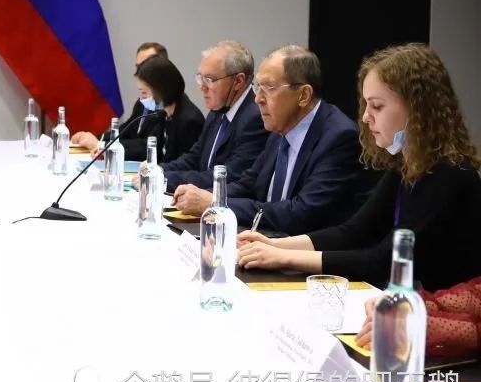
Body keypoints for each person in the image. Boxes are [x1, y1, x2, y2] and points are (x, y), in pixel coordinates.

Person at [237, 44, 481, 290]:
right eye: (366, 105)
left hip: (442, 304)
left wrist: (283, 257)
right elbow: (355, 232)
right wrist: (274, 245)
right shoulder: (406, 164)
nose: (365, 117)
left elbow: (383, 260)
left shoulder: (449, 173)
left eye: (377, 106)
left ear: (417, 108)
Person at [173, 45, 370, 235]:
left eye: (268, 88)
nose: (258, 98)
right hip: (263, 240)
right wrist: (209, 196)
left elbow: (300, 213)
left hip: (301, 250)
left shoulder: (339, 138)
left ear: (303, 95)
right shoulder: (280, 126)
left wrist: (217, 204)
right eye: (258, 87)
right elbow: (249, 184)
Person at [161, 41, 269, 191]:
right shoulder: (218, 109)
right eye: (200, 78)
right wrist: (158, 170)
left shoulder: (255, 119)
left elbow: (228, 176)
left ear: (238, 81)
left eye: (209, 79)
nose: (202, 86)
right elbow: (194, 158)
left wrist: (164, 179)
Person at [71, 41, 167, 152]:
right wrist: (95, 138)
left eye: (145, 67)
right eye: (138, 67)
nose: (139, 73)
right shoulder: (142, 103)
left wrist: (101, 145)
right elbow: (126, 131)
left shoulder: (166, 104)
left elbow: (148, 146)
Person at [124, 55, 204, 163]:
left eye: (144, 92)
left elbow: (186, 165)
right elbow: (152, 148)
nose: (141, 99)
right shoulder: (165, 113)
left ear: (161, 89)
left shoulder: (189, 121)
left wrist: (159, 169)